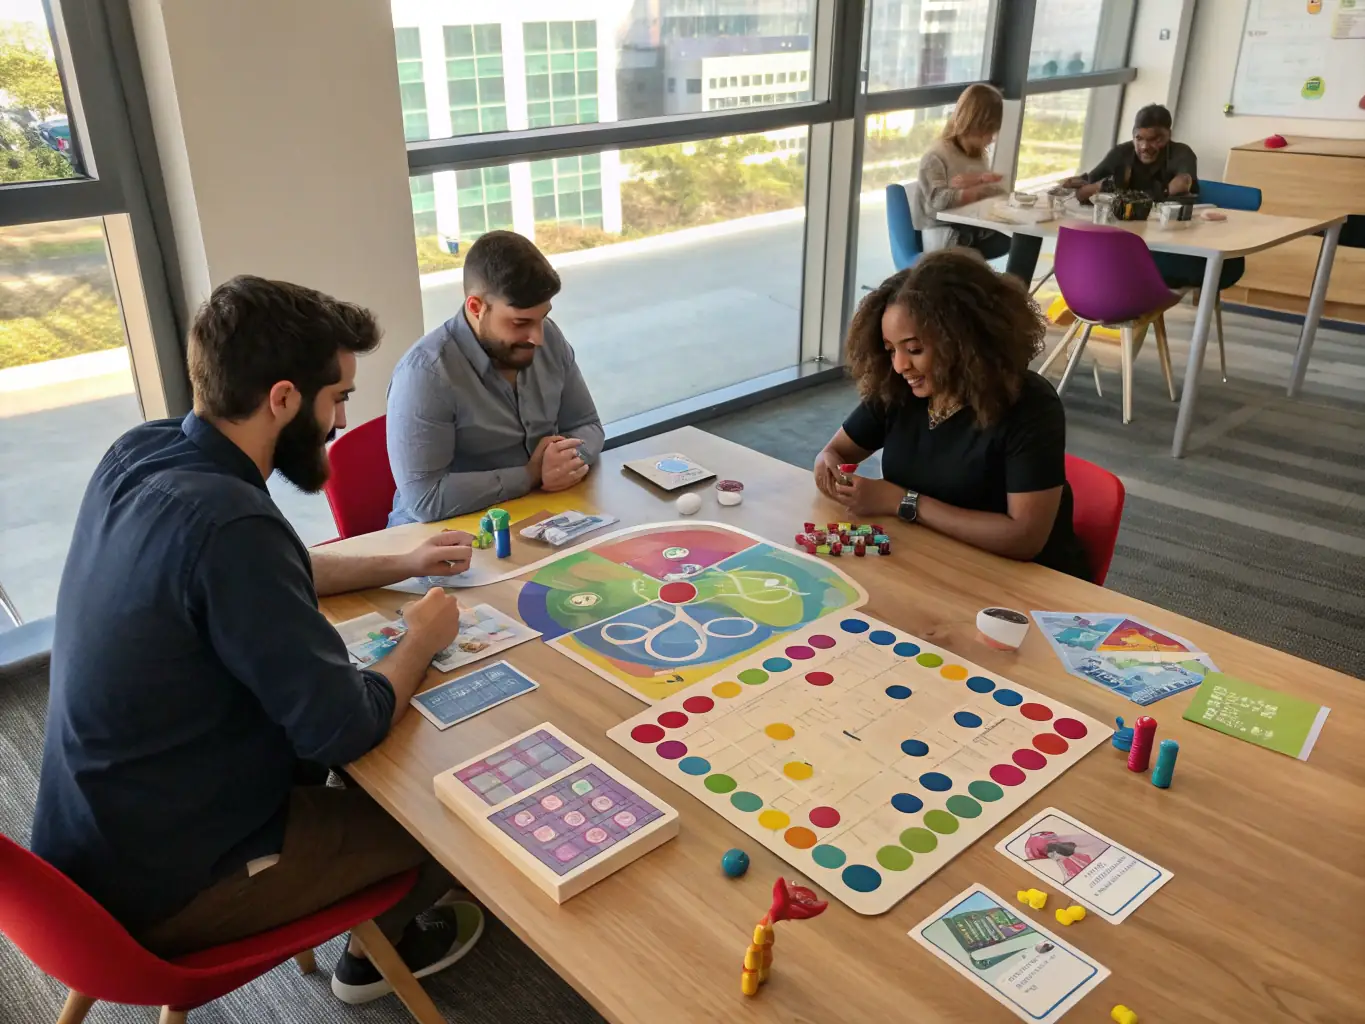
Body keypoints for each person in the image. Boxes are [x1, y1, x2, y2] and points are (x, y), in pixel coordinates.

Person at [32, 276, 485, 1005]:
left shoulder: (143, 452)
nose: (340, 421)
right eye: (337, 398)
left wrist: (398, 561)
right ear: (282, 399)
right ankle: (372, 961)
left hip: (84, 846)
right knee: (453, 822)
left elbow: (263, 571)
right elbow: (343, 725)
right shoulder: (233, 525)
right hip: (175, 885)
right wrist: (421, 639)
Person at [813, 251, 1091, 580]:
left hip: (1021, 582)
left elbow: (1024, 538)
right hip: (930, 561)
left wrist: (903, 502)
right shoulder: (899, 389)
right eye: (891, 350)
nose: (900, 366)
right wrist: (827, 463)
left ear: (962, 341)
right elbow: (837, 451)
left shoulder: (1030, 404)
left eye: (914, 350)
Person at [387, 230, 604, 524]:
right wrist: (530, 475)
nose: (537, 337)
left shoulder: (548, 336)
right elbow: (426, 499)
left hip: (536, 515)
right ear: (476, 307)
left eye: (542, 317)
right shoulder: (426, 375)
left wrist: (567, 459)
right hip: (441, 539)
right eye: (520, 323)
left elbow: (586, 424)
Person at [912, 83, 1010, 259]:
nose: (992, 138)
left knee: (1012, 240)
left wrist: (1004, 196)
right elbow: (938, 200)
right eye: (990, 131)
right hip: (942, 231)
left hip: (970, 227)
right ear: (977, 126)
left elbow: (982, 190)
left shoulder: (977, 154)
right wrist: (975, 192)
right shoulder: (936, 156)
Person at [1061, 103, 1197, 203]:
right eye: (1139, 139)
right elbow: (1087, 184)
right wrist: (1098, 186)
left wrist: (1112, 189)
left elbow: (1182, 184)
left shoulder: (1182, 153)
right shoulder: (1121, 152)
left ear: (1168, 135)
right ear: (1133, 134)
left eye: (1154, 140)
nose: (1144, 147)